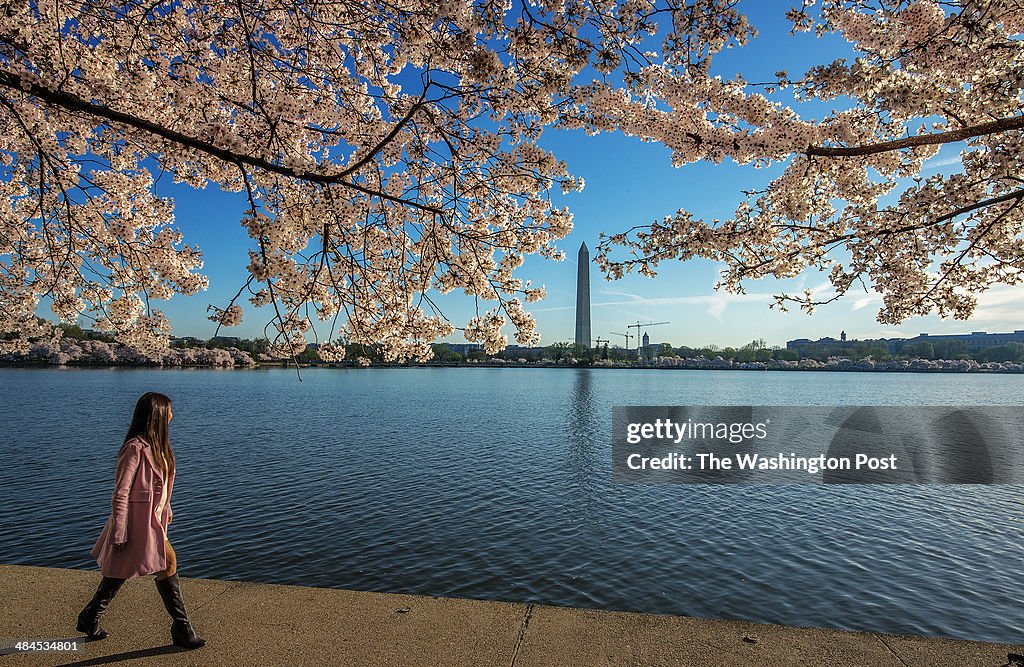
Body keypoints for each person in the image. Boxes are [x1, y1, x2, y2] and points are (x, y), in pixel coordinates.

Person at [76, 392, 206, 649]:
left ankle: (90, 616)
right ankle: (183, 630)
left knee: (121, 572)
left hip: (154, 522)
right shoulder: (135, 447)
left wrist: (166, 507)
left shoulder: (159, 446)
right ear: (157, 414)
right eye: (168, 410)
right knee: (167, 563)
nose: (172, 414)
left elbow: (163, 486)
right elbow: (121, 492)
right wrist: (120, 531)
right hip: (137, 523)